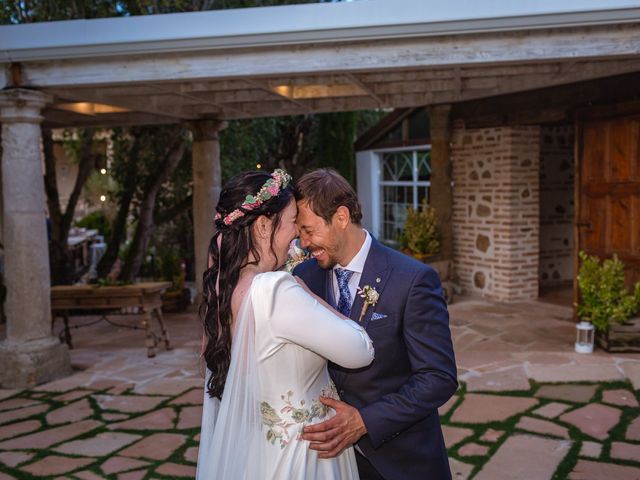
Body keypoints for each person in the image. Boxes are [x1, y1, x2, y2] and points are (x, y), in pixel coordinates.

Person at [196, 169, 374, 480]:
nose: (298, 236)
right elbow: (360, 351)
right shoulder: (276, 291)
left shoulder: (222, 292)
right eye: (293, 220)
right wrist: (302, 290)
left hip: (256, 454)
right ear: (264, 225)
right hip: (303, 458)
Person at [294, 169, 458, 480]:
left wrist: (365, 421)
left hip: (400, 460)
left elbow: (438, 377)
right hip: (327, 463)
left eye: (309, 230)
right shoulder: (304, 279)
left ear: (341, 217)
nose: (302, 243)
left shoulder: (412, 280)